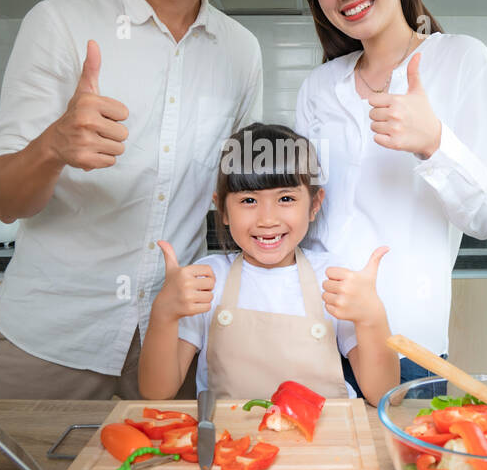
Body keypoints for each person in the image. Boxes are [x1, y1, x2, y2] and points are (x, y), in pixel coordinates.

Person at [0, 0, 262, 400]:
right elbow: (4, 201)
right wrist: (55, 145)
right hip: (49, 341)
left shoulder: (241, 52)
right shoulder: (58, 25)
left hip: (172, 345)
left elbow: (241, 201)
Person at [295, 0, 487, 386]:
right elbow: (307, 218)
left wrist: (434, 142)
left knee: (398, 466)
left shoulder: (461, 60)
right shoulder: (319, 87)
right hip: (317, 343)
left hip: (405, 347)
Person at [138, 122, 399, 405]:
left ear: (314, 204)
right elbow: (157, 392)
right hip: (231, 443)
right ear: (222, 209)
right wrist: (163, 314)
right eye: (249, 200)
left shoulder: (333, 278)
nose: (267, 219)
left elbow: (385, 395)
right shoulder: (207, 279)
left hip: (323, 443)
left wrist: (372, 318)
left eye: (285, 198)